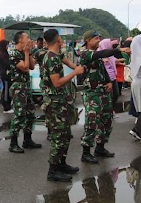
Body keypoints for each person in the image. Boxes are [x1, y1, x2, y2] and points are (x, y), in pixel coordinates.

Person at [41, 29, 85, 182]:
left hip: (61, 102)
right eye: (61, 38)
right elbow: (57, 82)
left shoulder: (55, 56)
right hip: (55, 103)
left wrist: (77, 68)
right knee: (58, 136)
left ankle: (61, 164)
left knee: (66, 134)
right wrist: (75, 73)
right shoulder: (51, 59)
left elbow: (66, 60)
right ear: (58, 39)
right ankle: (52, 170)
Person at [79, 30, 126, 163]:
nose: (99, 40)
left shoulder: (97, 56)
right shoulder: (86, 54)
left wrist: (108, 81)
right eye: (95, 38)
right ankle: (86, 152)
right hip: (92, 93)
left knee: (106, 119)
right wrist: (118, 49)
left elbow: (102, 69)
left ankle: (100, 147)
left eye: (99, 38)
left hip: (102, 91)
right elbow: (103, 53)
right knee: (92, 122)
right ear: (88, 41)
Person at [8, 31, 41, 153]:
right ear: (20, 40)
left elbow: (32, 66)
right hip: (18, 87)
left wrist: (29, 52)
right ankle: (13, 142)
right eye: (27, 37)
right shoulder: (14, 54)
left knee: (31, 113)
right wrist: (26, 53)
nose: (29, 39)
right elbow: (25, 67)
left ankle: (27, 139)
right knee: (19, 114)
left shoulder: (24, 53)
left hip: (26, 87)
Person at [98, 39, 120, 107]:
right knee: (108, 95)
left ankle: (111, 109)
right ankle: (108, 111)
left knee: (116, 94)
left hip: (113, 76)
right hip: (106, 78)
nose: (110, 45)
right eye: (109, 44)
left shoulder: (110, 54)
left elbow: (114, 60)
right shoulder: (99, 53)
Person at [0, 39, 13, 113]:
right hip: (5, 74)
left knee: (6, 89)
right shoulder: (2, 55)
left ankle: (8, 105)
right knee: (6, 90)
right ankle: (6, 107)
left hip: (5, 73)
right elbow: (8, 64)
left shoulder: (2, 53)